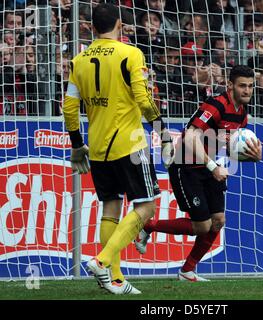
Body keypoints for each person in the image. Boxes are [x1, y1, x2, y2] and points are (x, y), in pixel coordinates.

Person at [63, 3, 173, 294]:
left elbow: (69, 108)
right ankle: (102, 261)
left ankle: (114, 279)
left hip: (97, 146)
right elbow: (143, 97)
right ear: (121, 26)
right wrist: (161, 131)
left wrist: (77, 145)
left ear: (92, 27)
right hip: (129, 142)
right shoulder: (131, 53)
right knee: (147, 206)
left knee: (110, 207)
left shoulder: (79, 61)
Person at [134, 65, 262, 281]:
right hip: (185, 166)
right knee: (201, 226)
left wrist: (254, 156)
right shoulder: (216, 105)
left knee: (218, 220)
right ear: (230, 85)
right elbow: (191, 136)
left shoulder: (242, 114)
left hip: (208, 166)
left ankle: (187, 271)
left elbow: (230, 148)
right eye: (242, 86)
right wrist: (214, 167)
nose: (247, 91)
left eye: (250, 86)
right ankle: (148, 226)